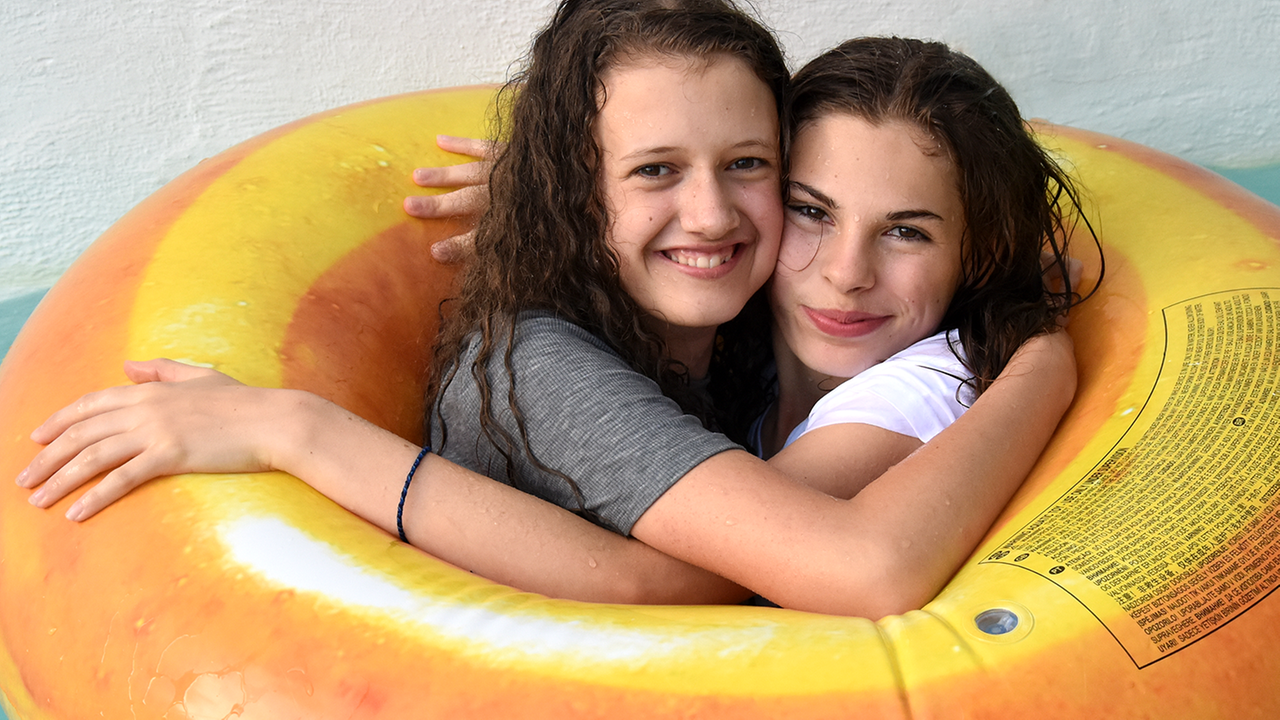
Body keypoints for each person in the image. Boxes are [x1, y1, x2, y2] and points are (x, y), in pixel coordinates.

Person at [16, 0, 1079, 617]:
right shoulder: (542, 368)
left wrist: (612, 194)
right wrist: (296, 428)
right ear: (574, 186)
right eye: (654, 168)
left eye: (746, 164)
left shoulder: (752, 331)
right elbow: (809, 570)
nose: (711, 213)